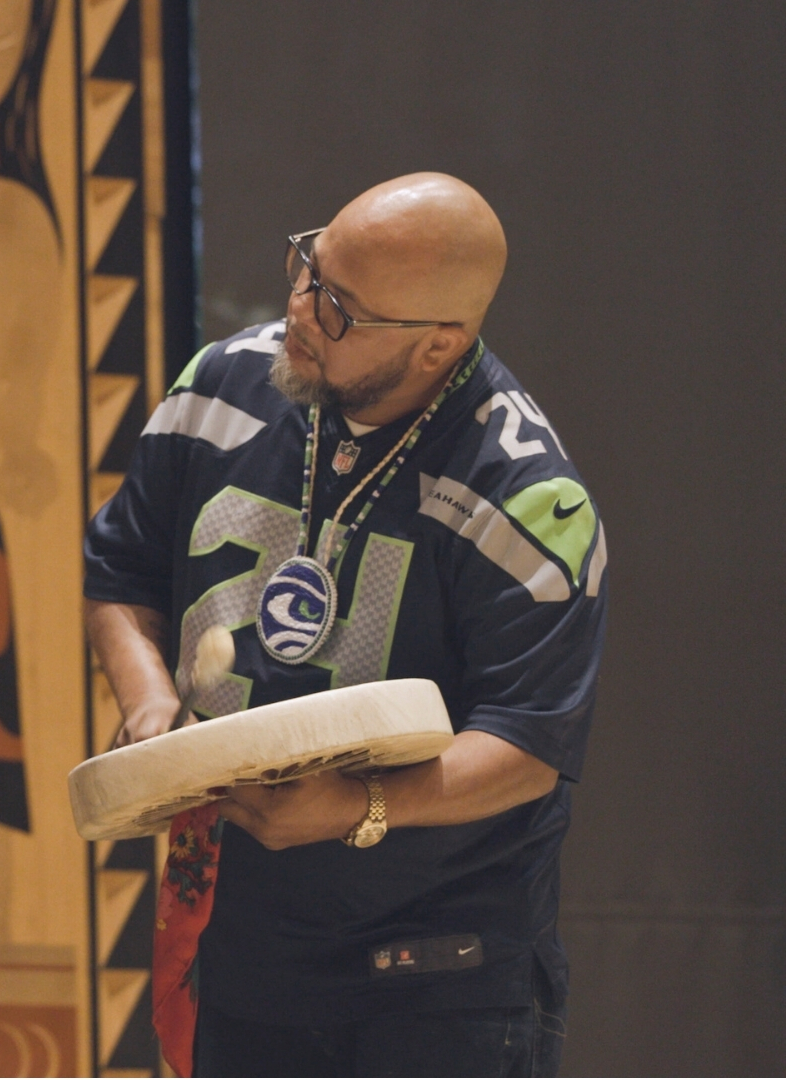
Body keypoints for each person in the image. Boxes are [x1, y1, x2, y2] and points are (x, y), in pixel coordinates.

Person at [84, 173, 606, 1076]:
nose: (298, 309)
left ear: (439, 344)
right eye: (307, 269)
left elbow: (527, 746)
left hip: (439, 981)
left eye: (339, 308)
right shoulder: (221, 388)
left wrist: (363, 809)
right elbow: (122, 570)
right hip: (246, 953)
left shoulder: (526, 501)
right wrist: (147, 705)